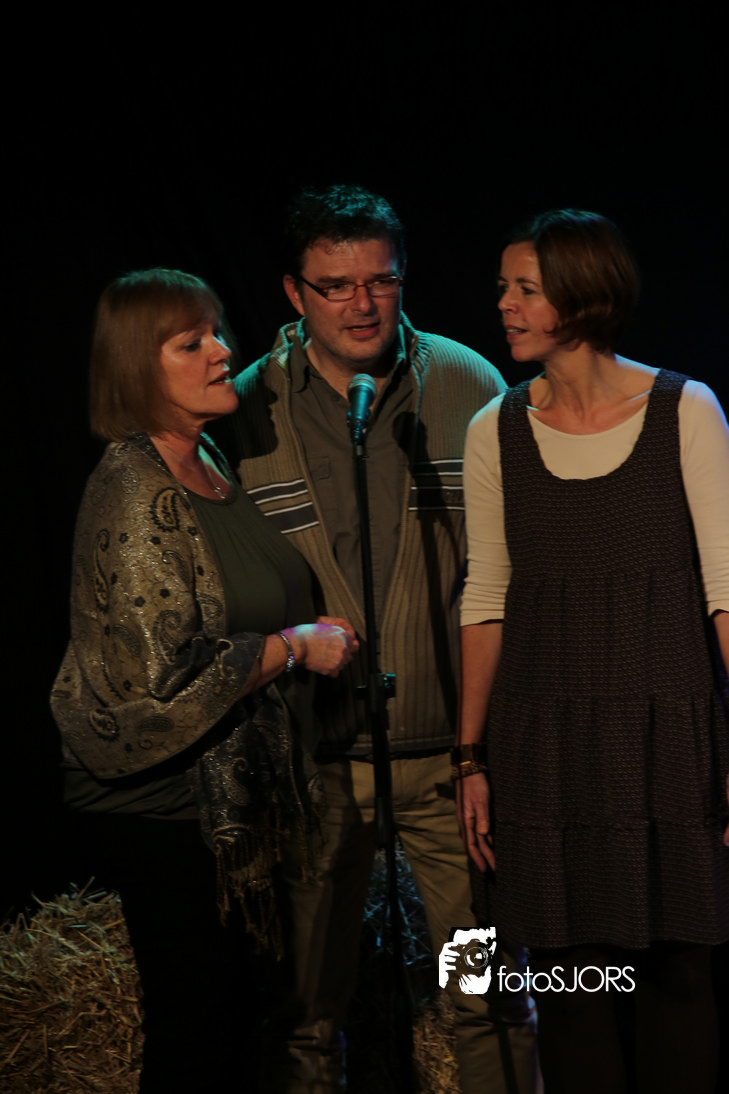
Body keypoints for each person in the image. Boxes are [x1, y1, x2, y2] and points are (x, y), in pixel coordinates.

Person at [217, 184, 541, 1093]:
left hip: (450, 769)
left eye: (381, 281)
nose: (362, 305)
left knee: (487, 997)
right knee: (306, 1016)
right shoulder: (242, 410)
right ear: (293, 292)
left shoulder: (469, 385)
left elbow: (512, 573)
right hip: (315, 767)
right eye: (335, 286)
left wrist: (488, 746)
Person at [50, 268, 357, 1094]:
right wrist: (293, 647)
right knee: (197, 1040)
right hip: (165, 809)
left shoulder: (207, 462)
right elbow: (162, 683)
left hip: (224, 800)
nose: (223, 352)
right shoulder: (134, 489)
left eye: (216, 332)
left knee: (237, 1026)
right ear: (137, 368)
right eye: (192, 343)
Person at [458, 209, 729, 1094]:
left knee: (675, 975)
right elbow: (485, 599)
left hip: (664, 733)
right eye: (503, 287)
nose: (503, 305)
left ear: (581, 297)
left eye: (525, 289)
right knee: (574, 985)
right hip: (548, 744)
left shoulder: (683, 410)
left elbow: (725, 589)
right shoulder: (495, 427)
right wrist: (469, 757)